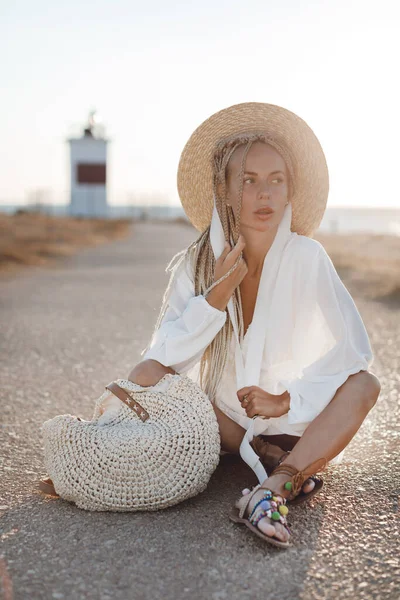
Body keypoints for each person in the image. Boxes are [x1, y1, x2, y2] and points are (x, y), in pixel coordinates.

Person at [125, 103, 381, 546]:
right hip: (226, 422)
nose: (264, 194)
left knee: (366, 385)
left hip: (297, 421)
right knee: (145, 375)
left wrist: (285, 400)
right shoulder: (198, 261)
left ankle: (273, 487)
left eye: (275, 180)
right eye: (249, 181)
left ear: (289, 191)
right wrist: (218, 294)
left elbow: (351, 350)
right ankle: (263, 455)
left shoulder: (307, 257)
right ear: (224, 191)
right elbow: (162, 358)